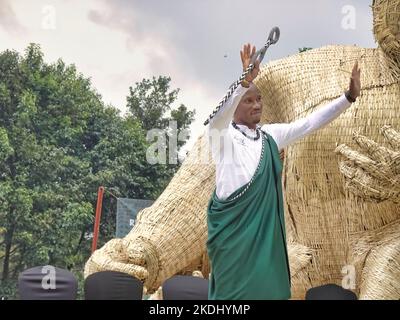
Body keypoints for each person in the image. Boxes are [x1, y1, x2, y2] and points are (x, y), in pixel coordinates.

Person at [206, 43, 361, 300]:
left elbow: (310, 123)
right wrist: (243, 82)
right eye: (249, 100)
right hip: (231, 240)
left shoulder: (270, 136)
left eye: (259, 99)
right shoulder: (222, 137)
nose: (257, 105)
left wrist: (348, 98)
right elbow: (217, 118)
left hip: (264, 241)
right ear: (235, 106)